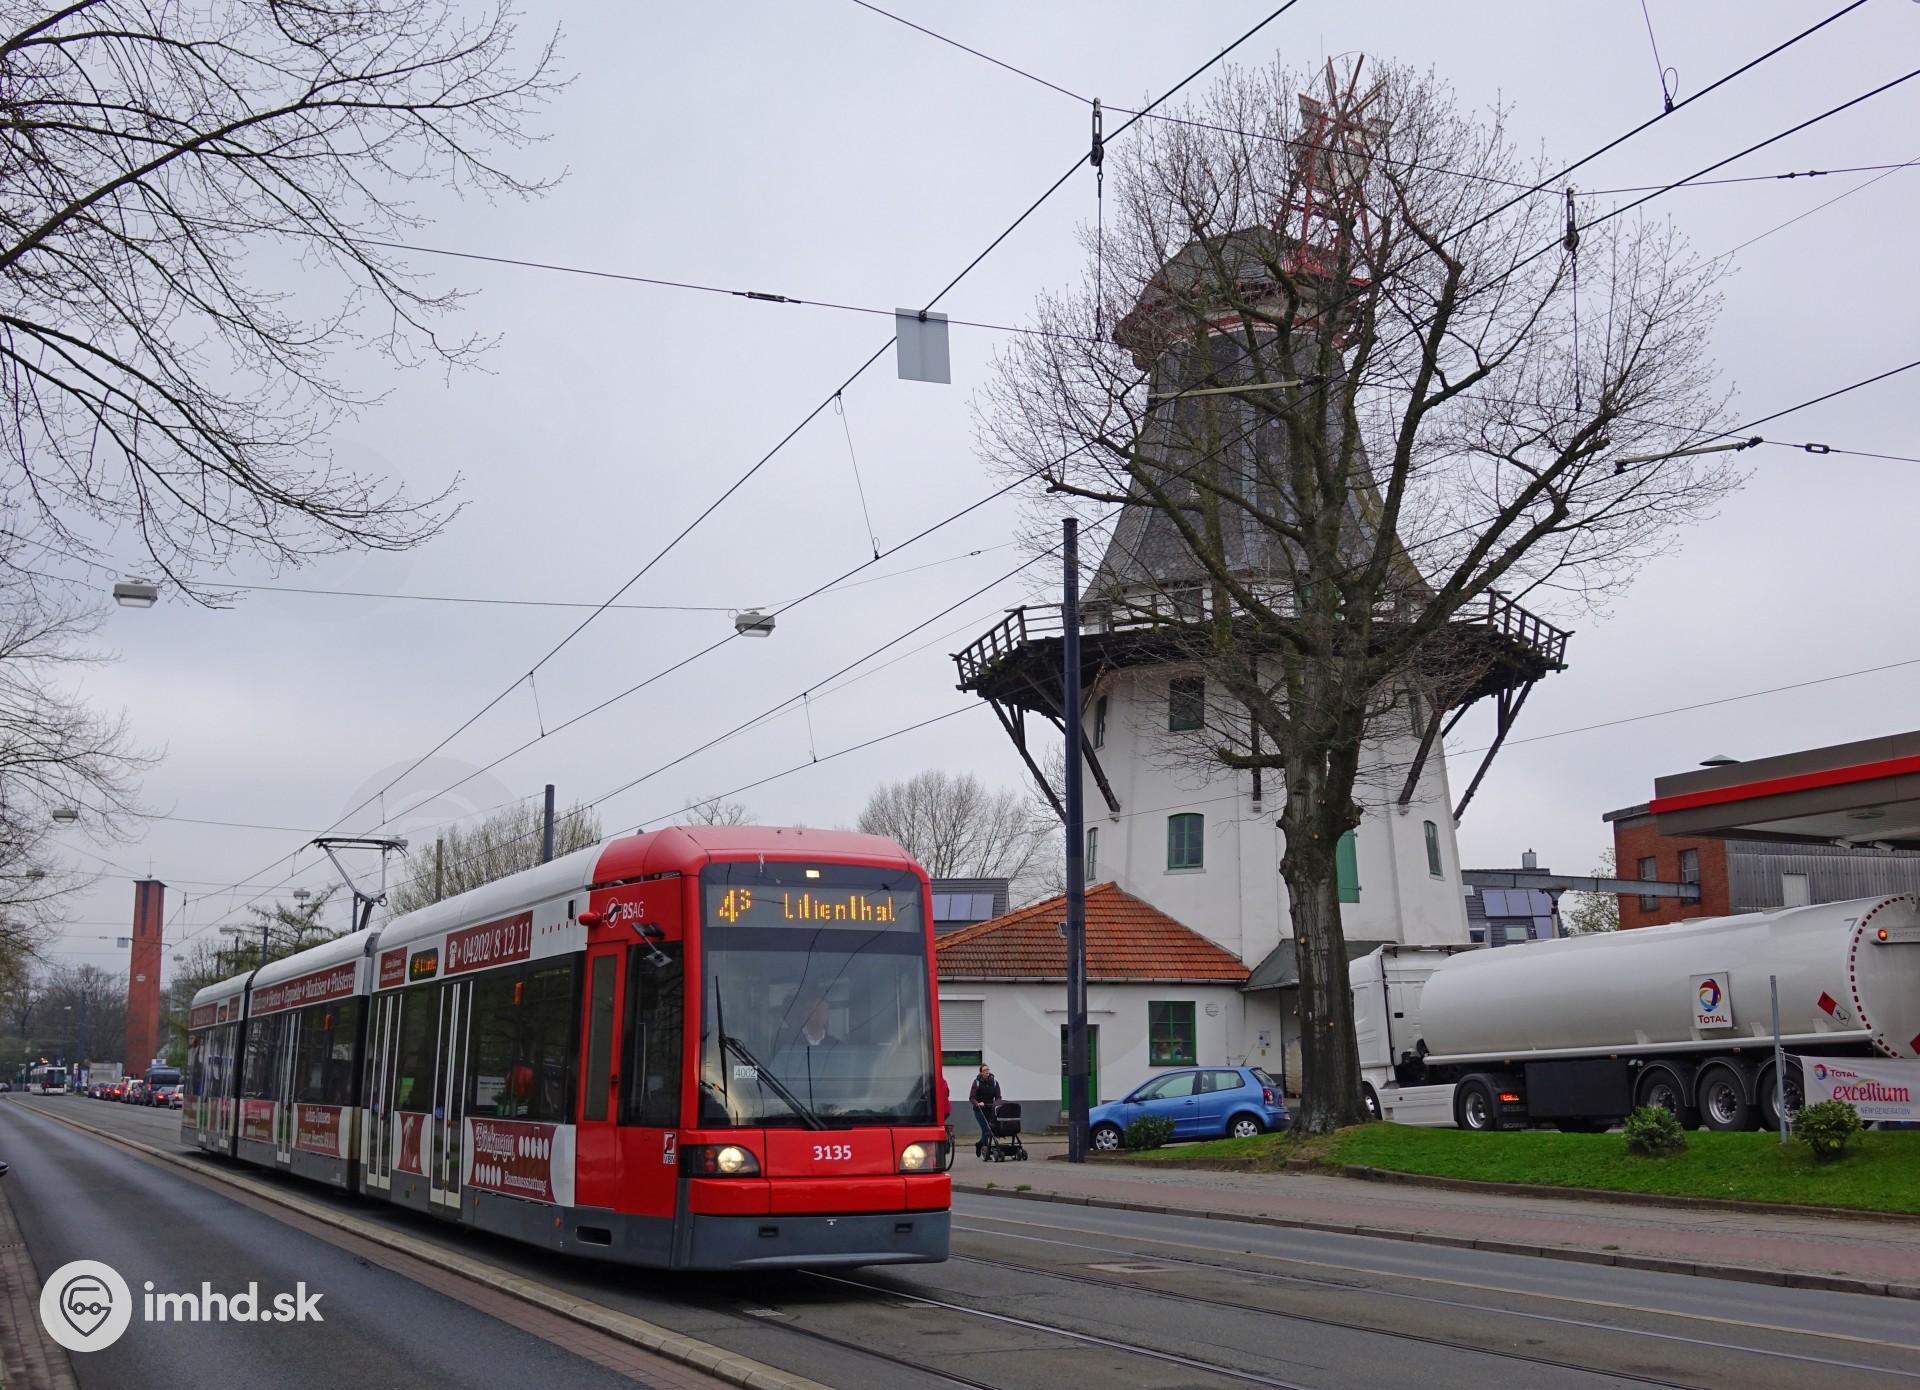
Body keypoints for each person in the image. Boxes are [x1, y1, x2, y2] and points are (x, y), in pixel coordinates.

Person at [967, 1063, 1001, 1158]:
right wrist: (977, 1103)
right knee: (986, 1129)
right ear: (981, 1073)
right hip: (979, 1110)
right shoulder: (977, 1082)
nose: (987, 1071)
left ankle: (979, 1144)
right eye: (985, 1070)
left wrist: (997, 1103)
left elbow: (998, 1096)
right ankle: (986, 1150)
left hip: (990, 1109)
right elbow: (972, 1097)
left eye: (988, 1070)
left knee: (990, 1130)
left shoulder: (994, 1082)